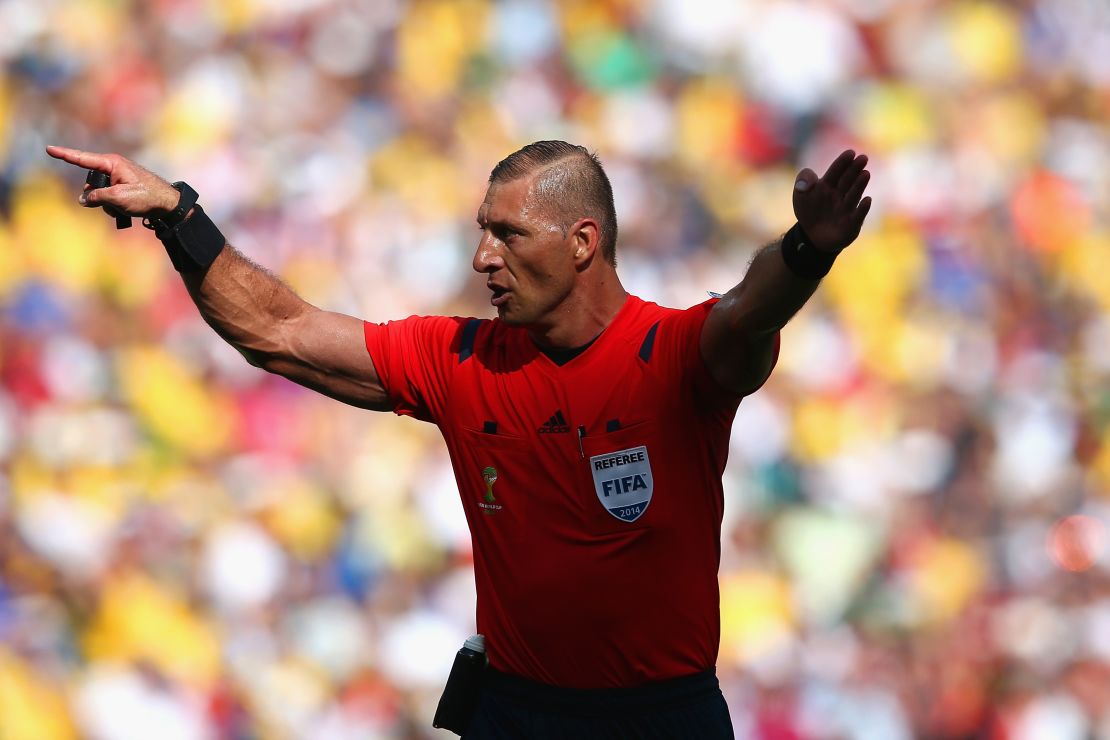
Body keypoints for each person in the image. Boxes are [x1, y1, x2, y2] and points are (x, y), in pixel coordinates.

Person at [46, 140, 871, 738]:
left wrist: (806, 249)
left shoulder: (672, 356)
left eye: (508, 233)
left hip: (658, 719)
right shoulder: (461, 358)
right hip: (513, 710)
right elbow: (281, 331)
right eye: (483, 229)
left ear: (582, 242)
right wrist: (179, 217)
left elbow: (749, 308)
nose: (482, 256)